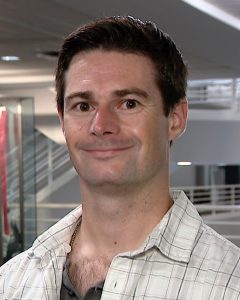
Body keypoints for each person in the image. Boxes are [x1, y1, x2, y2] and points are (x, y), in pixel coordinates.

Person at [0, 16, 240, 300]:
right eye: (84, 105)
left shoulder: (230, 284)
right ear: (62, 119)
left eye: (129, 103)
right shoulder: (12, 280)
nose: (100, 125)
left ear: (176, 118)